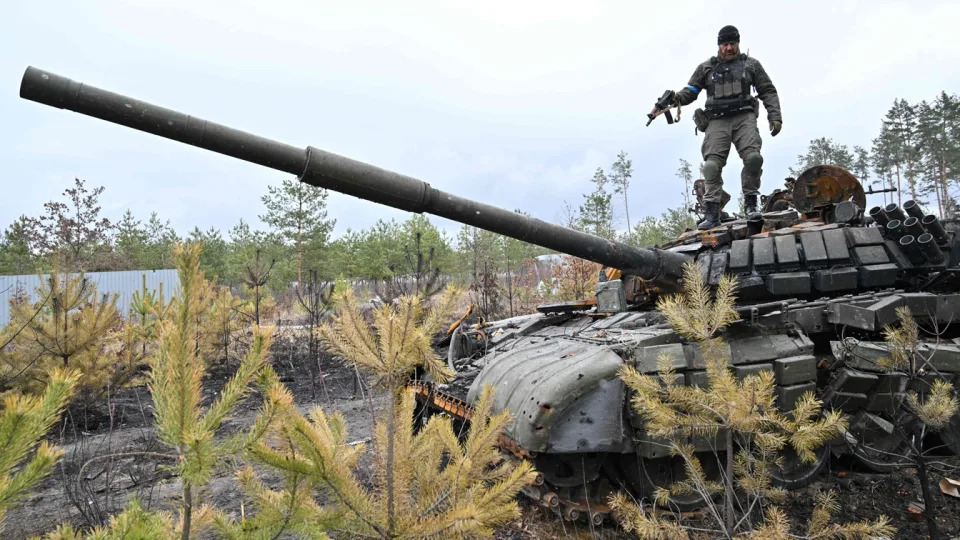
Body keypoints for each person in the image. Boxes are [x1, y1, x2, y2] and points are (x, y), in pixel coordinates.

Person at [659, 25, 782, 229]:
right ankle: (712, 213)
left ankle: (751, 205)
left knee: (753, 159)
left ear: (738, 43)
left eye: (732, 43)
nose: (728, 48)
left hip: (744, 116)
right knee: (711, 166)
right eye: (725, 44)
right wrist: (676, 97)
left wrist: (775, 117)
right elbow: (691, 90)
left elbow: (768, 90)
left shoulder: (751, 65)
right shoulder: (707, 68)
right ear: (719, 45)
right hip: (716, 119)